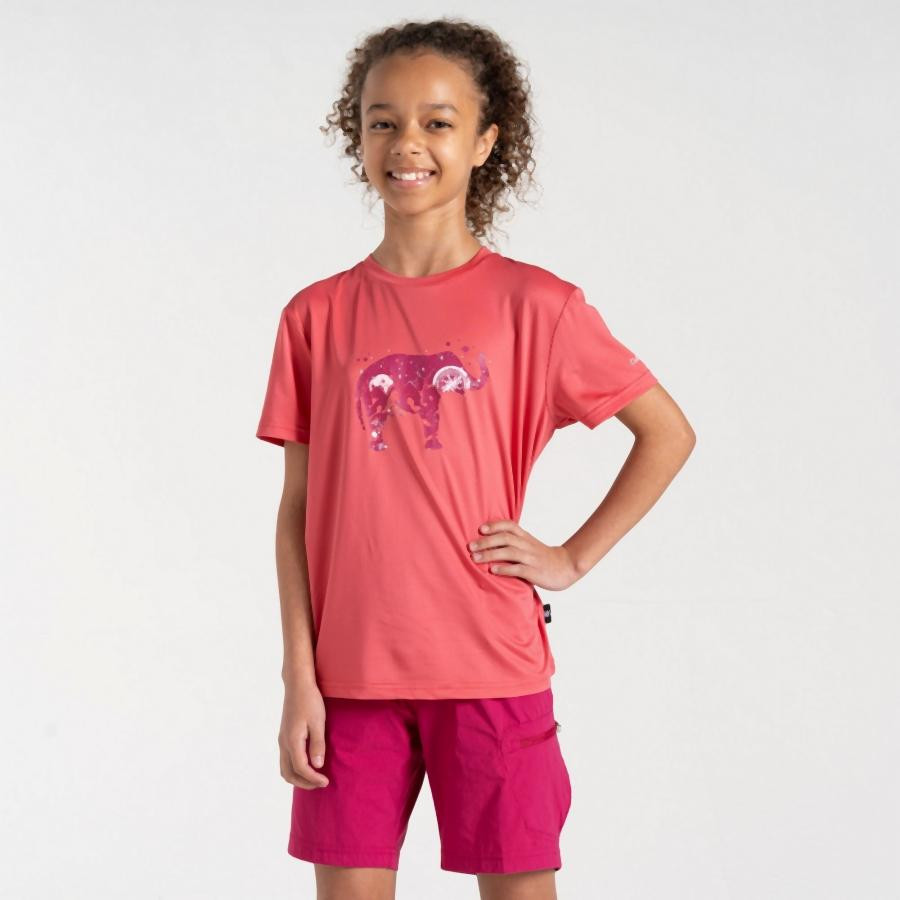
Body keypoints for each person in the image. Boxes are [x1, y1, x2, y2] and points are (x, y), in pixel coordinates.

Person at [255, 18, 695, 900]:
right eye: (383, 122)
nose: (407, 144)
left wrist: (570, 558)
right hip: (351, 681)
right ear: (357, 137)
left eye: (438, 122)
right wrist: (299, 675)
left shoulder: (538, 306)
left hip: (492, 666)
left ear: (486, 141)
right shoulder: (315, 316)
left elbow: (667, 432)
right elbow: (299, 508)